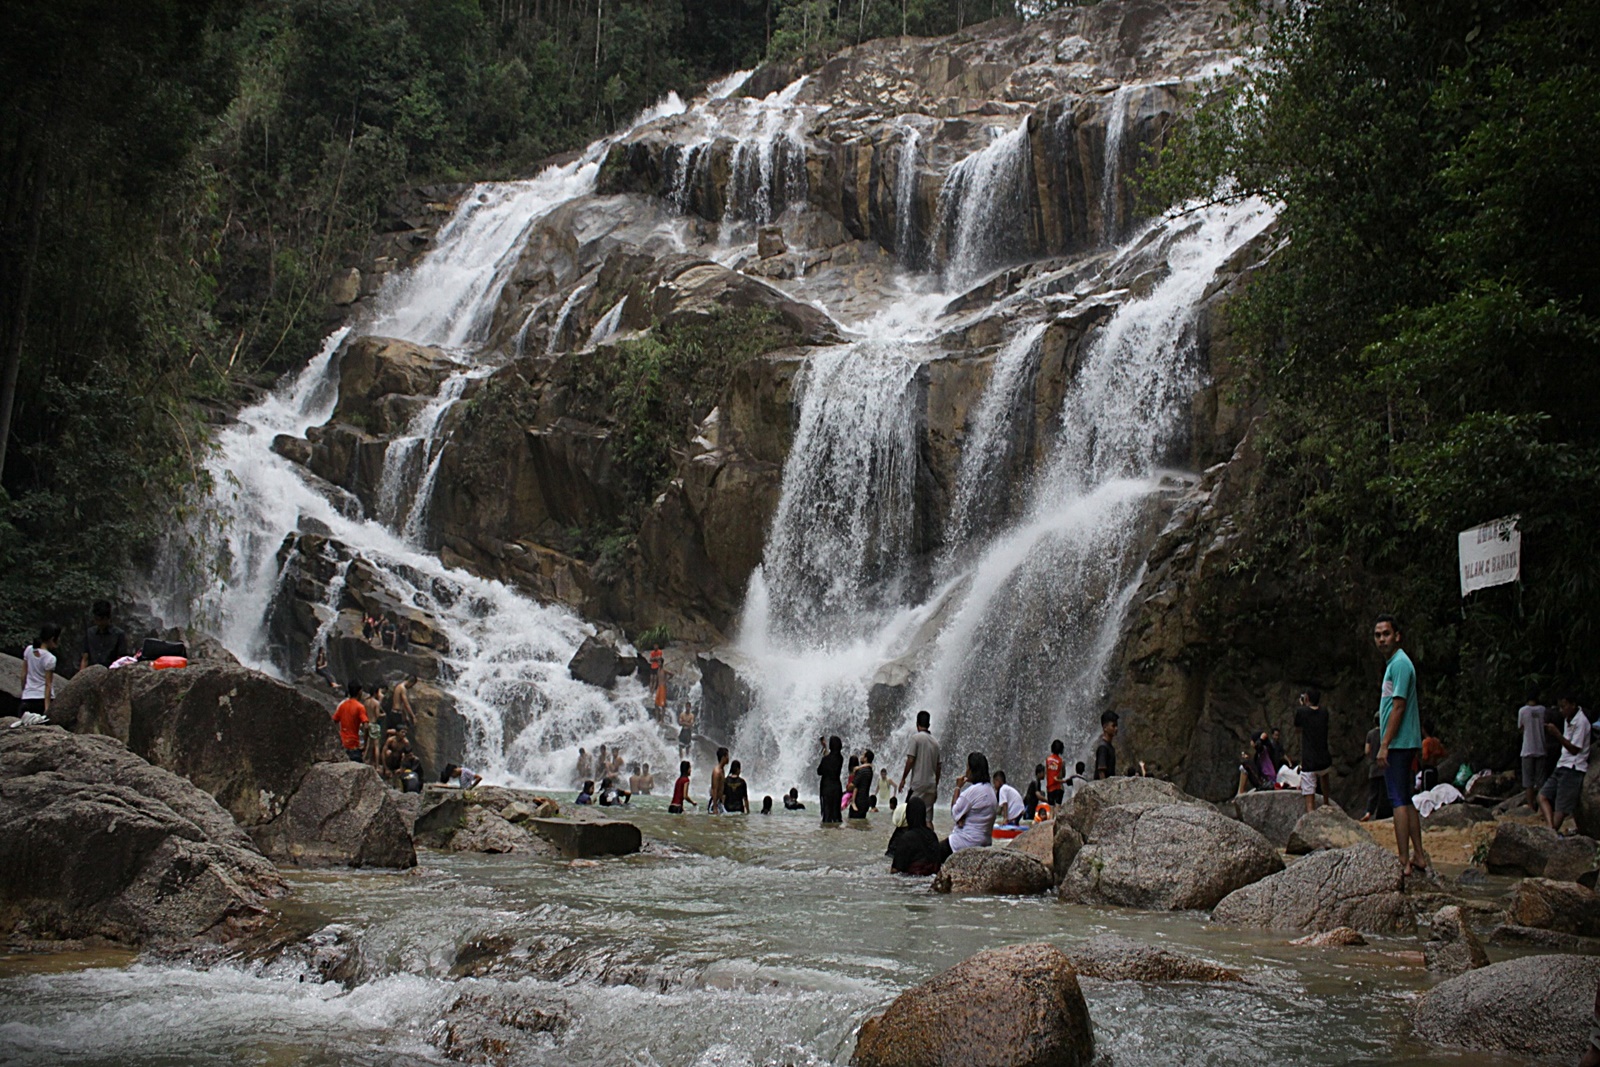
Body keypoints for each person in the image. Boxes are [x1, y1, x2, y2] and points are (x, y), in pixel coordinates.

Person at [1373, 614, 1429, 876]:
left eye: (1386, 633)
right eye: (1378, 635)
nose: (1382, 639)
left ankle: (1403, 860)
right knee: (1405, 798)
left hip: (1399, 743)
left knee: (1397, 800)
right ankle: (1418, 855)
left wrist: (1384, 744)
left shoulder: (1401, 664)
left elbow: (1399, 706)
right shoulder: (1394, 664)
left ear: (1397, 635)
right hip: (1401, 741)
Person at [1539, 694, 1592, 832]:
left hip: (1573, 768)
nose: (1561, 710)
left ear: (1573, 705)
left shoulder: (1581, 722)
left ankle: (1552, 832)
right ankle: (1551, 829)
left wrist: (1557, 734)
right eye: (1560, 707)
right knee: (1542, 796)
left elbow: (1574, 749)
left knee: (1560, 809)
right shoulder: (1568, 719)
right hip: (1562, 764)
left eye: (1564, 706)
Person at [944, 751, 997, 854]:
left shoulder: (972, 792)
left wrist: (957, 787)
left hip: (964, 842)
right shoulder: (990, 791)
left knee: (932, 851)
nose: (966, 771)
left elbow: (955, 813)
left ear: (973, 770)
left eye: (967, 767)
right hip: (985, 842)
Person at [898, 710, 942, 828]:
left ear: (917, 724)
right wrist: (935, 785)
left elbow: (911, 760)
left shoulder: (916, 738)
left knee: (908, 814)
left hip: (918, 784)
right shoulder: (936, 743)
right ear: (929, 724)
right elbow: (938, 768)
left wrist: (903, 779)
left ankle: (909, 843)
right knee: (928, 819)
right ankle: (931, 843)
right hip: (931, 785)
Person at [1294, 688, 1332, 813]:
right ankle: (1326, 803)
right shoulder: (1324, 712)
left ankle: (1311, 814)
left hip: (1309, 759)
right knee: (1324, 777)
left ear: (1307, 698)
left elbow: (1297, 727)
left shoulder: (1302, 711)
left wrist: (1303, 706)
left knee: (1309, 792)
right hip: (1324, 756)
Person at [887, 796, 944, 875]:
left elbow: (895, 870)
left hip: (911, 879)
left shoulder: (906, 838)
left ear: (908, 815)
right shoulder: (932, 835)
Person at [18, 624, 61, 719]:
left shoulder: (29, 650)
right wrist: (47, 708)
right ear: (52, 638)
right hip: (41, 699)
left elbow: (23, 674)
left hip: (28, 698)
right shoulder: (50, 658)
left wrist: (24, 692)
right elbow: (48, 684)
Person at [1517, 691, 1547, 812]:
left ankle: (1530, 806)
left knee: (1528, 781)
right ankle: (1541, 807)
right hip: (1541, 748)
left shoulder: (1523, 711)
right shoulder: (1543, 710)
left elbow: (1520, 727)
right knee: (1541, 781)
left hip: (1527, 749)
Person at [79, 602, 128, 671]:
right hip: (92, 672)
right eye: (97, 619)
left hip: (110, 672)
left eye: (102, 619)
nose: (99, 622)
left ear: (108, 618)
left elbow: (121, 660)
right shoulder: (90, 633)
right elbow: (85, 658)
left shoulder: (118, 634)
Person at [332, 682, 369, 762]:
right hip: (354, 745)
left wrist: (338, 735)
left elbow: (334, 721)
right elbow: (366, 726)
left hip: (343, 744)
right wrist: (365, 745)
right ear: (360, 692)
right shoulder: (360, 707)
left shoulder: (342, 705)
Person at [1361, 725, 1389, 822]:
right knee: (1385, 793)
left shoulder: (1370, 734)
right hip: (1385, 767)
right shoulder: (1386, 733)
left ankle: (1369, 812)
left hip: (1373, 767)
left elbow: (1367, 750)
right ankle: (1383, 814)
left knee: (1373, 793)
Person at [818, 736, 844, 824]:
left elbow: (819, 771)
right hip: (837, 787)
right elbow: (832, 757)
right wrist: (825, 748)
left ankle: (827, 832)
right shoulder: (840, 758)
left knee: (827, 813)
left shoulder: (826, 759)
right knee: (836, 812)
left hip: (826, 787)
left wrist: (825, 750)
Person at [849, 750, 875, 819]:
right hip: (865, 802)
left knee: (853, 825)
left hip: (858, 803)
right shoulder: (869, 770)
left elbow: (852, 786)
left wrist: (848, 787)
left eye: (863, 755)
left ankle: (853, 802)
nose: (861, 757)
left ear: (866, 758)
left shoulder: (861, 771)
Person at [363, 685, 385, 766]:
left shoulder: (366, 701)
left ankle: (364, 759)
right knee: (376, 746)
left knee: (367, 744)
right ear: (376, 693)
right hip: (374, 724)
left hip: (366, 724)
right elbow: (378, 715)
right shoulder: (376, 703)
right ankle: (377, 765)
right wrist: (384, 715)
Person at [1094, 711, 1119, 779]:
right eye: (1113, 726)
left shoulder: (1109, 747)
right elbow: (1101, 772)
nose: (1116, 728)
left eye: (1116, 725)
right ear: (1105, 727)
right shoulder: (1103, 747)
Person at [1045, 740, 1066, 805]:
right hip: (1058, 787)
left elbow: (1046, 774)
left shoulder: (1048, 759)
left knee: (1051, 810)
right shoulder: (1061, 761)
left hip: (1050, 788)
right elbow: (1062, 775)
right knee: (1057, 809)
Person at [709, 746, 729, 814]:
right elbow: (714, 789)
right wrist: (715, 807)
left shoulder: (722, 770)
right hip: (714, 803)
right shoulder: (716, 772)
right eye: (727, 756)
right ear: (723, 757)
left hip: (719, 802)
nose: (728, 758)